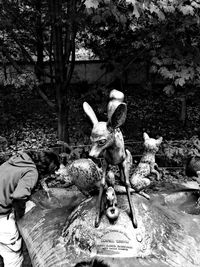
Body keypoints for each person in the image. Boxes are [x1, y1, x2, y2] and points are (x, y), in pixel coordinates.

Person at [0, 149, 60, 267]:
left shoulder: (16, 161)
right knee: (13, 258)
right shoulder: (32, 172)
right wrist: (20, 216)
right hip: (2, 219)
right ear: (46, 168)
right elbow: (19, 196)